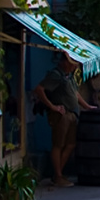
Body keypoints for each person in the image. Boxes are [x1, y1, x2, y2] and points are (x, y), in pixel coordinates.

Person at [33, 50, 81, 187]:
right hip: (61, 114)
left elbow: (75, 94)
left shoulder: (69, 76)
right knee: (58, 144)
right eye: (72, 64)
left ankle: (58, 173)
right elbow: (39, 89)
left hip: (72, 113)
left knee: (71, 143)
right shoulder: (56, 75)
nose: (74, 67)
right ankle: (58, 175)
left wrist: (87, 106)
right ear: (64, 62)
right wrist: (52, 106)